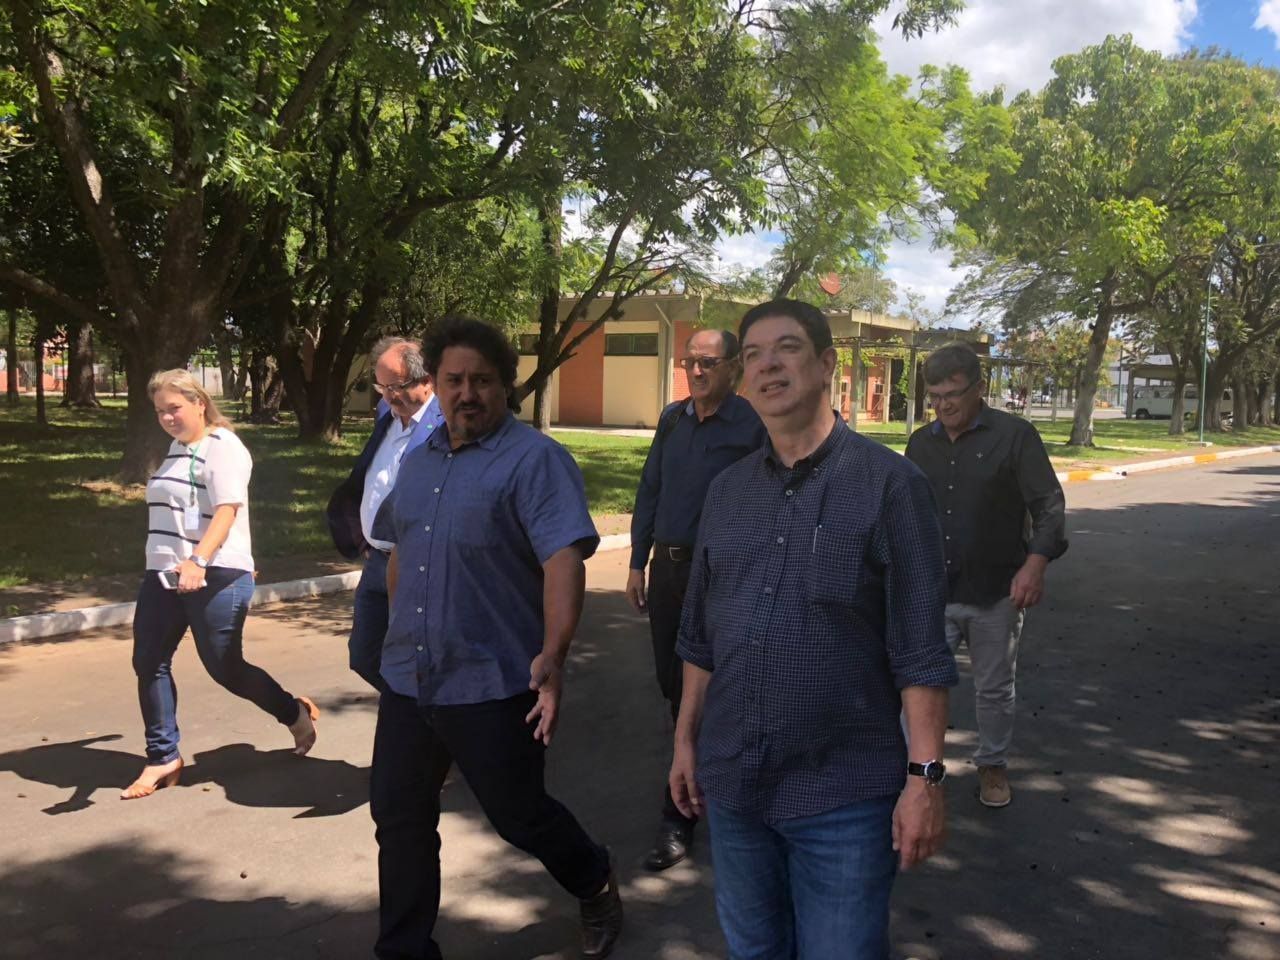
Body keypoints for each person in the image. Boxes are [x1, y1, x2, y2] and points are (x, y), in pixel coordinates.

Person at [669, 299, 958, 959]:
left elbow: (920, 653)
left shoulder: (891, 487)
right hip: (735, 787)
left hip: (843, 797)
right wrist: (685, 741)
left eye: (788, 348)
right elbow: (700, 638)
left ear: (827, 365)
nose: (768, 365)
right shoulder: (726, 492)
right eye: (753, 355)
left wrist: (925, 779)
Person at [369, 317, 623, 960]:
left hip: (492, 678)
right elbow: (401, 551)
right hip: (410, 679)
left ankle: (593, 878)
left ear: (505, 385)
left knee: (519, 814)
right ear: (436, 384)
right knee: (399, 818)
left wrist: (554, 655)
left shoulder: (535, 460)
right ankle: (404, 950)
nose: (467, 393)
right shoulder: (419, 461)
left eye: (482, 381)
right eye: (454, 380)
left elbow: (563, 560)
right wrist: (398, 632)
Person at [123, 369, 318, 800]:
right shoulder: (177, 448)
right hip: (163, 574)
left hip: (214, 573)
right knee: (149, 661)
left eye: (174, 408)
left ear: (199, 403)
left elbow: (228, 509)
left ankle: (293, 712)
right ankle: (162, 755)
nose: (167, 418)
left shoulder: (224, 446)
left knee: (225, 667)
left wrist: (198, 560)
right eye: (160, 411)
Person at [625, 328, 765, 871]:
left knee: (710, 688)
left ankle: (679, 814)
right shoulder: (672, 420)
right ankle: (694, 778)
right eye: (690, 362)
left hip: (723, 576)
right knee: (672, 685)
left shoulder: (752, 426)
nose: (697, 371)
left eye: (708, 362)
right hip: (668, 571)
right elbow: (650, 489)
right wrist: (638, 561)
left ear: (733, 367)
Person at [905, 343, 1067, 808]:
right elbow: (906, 513)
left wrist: (1035, 565)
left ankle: (992, 765)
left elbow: (1049, 507)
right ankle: (921, 771)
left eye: (952, 394)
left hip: (996, 590)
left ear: (979, 388)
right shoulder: (920, 443)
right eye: (935, 396)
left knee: (993, 689)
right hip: (934, 591)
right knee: (920, 685)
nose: (943, 405)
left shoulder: (1016, 436)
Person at [326, 337, 443, 690]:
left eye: (397, 386)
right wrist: (366, 540)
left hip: (416, 564)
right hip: (376, 559)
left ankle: (420, 718)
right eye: (382, 386)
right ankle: (416, 713)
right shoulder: (386, 414)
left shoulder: (445, 423)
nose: (388, 396)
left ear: (427, 380)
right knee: (364, 655)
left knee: (410, 662)